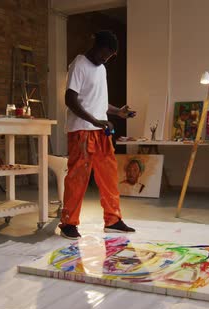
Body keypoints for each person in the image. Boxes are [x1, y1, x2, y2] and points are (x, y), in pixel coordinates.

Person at [59, 30, 136, 240]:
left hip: (100, 130)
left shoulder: (101, 69)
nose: (105, 58)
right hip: (82, 131)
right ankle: (68, 223)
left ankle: (113, 220)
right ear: (94, 44)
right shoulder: (79, 64)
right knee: (78, 178)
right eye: (104, 53)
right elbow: (70, 99)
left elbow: (98, 102)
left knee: (109, 176)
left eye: (109, 56)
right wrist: (94, 120)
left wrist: (117, 111)